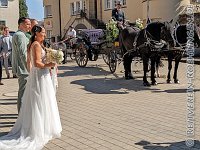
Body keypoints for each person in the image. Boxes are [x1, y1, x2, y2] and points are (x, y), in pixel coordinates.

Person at [0, 25, 62, 150]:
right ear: (36, 33)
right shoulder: (36, 45)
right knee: (39, 102)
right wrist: (50, 64)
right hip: (40, 76)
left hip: (39, 76)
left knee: (41, 102)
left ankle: (44, 127)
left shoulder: (36, 44)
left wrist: (49, 62)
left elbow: (30, 63)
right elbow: (38, 63)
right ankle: (38, 130)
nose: (45, 34)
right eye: (43, 32)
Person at [12, 17, 31, 113]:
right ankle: (21, 115)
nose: (30, 26)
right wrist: (29, 68)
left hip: (22, 68)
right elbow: (23, 53)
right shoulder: (20, 35)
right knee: (23, 93)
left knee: (23, 92)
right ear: (21, 24)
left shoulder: (19, 34)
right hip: (23, 69)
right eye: (28, 24)